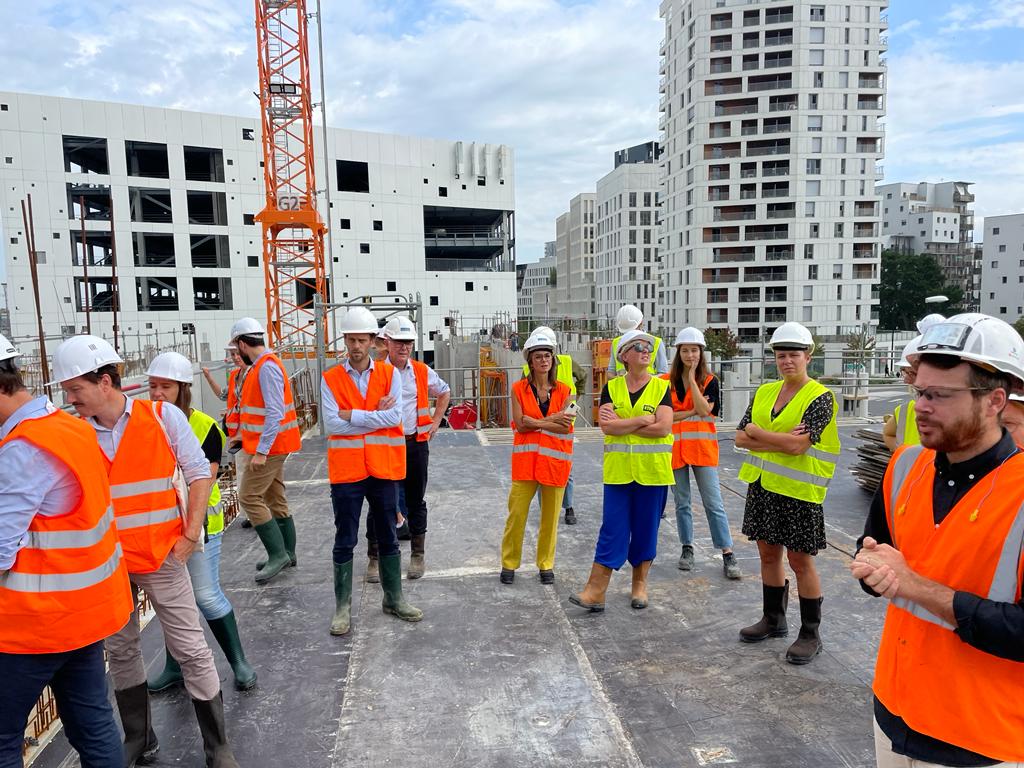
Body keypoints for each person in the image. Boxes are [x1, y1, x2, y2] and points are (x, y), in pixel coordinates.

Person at [53, 335, 239, 767]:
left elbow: (198, 474)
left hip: (161, 555)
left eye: (75, 390)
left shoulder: (162, 418)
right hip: (108, 566)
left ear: (104, 382)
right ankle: (140, 738)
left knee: (190, 646)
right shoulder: (77, 433)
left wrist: (190, 533)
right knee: (121, 651)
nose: (70, 399)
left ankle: (218, 745)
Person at [851, 313, 1024, 768]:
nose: (921, 406)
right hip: (894, 714)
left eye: (939, 395)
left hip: (981, 740)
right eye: (919, 392)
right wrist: (873, 572)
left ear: (995, 401)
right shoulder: (906, 466)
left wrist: (911, 584)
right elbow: (875, 556)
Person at [0, 333, 133, 767]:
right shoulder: (69, 429)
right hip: (82, 616)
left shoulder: (22, 448)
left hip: (31, 626)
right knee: (93, 727)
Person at [145, 352, 257, 693]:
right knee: (170, 597)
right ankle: (174, 665)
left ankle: (238, 661)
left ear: (183, 389)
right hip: (159, 523)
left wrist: (192, 530)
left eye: (166, 386)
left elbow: (201, 480)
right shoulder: (145, 424)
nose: (158, 394)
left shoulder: (205, 427)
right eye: (153, 387)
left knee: (206, 595)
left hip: (199, 523)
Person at [735, 321, 840, 665]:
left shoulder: (820, 398)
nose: (787, 362)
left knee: (800, 561)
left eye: (794, 355)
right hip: (764, 486)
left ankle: (810, 633)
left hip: (799, 491)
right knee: (768, 556)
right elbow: (739, 437)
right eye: (781, 355)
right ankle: (774, 619)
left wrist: (758, 432)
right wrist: (760, 434)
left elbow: (798, 447)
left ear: (808, 356)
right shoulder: (764, 392)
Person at [322, 307, 423, 636]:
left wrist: (353, 415)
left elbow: (394, 418)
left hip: (382, 469)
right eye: (350, 339)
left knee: (389, 537)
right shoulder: (330, 378)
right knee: (345, 539)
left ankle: (393, 599)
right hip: (348, 473)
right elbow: (331, 423)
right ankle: (342, 608)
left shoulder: (389, 375)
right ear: (344, 340)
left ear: (373, 342)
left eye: (361, 340)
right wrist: (370, 416)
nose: (355, 346)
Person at [570, 329, 674, 612]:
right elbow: (607, 427)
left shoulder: (662, 387)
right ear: (624, 356)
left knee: (645, 529)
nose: (646, 350)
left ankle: (639, 584)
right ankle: (596, 589)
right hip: (618, 473)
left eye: (649, 348)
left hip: (652, 473)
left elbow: (664, 427)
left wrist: (624, 423)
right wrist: (642, 419)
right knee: (612, 528)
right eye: (639, 346)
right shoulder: (611, 388)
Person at [363, 316, 450, 580]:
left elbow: (444, 391)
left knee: (415, 501)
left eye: (408, 342)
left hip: (415, 445)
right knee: (380, 502)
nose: (404, 347)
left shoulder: (421, 372)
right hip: (385, 447)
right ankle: (374, 559)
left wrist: (435, 422)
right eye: (399, 342)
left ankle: (417, 555)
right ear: (386, 342)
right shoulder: (374, 373)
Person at [230, 317, 302, 583]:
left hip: (271, 448)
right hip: (272, 444)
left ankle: (278, 555)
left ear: (242, 344)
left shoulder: (266, 368)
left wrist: (260, 452)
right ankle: (287, 552)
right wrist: (243, 438)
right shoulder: (262, 366)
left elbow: (274, 414)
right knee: (274, 499)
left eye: (236, 349)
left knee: (248, 496)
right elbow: (259, 415)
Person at [664, 328, 739, 579]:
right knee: (681, 502)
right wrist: (692, 411)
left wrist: (693, 377)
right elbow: (665, 416)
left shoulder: (710, 381)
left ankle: (727, 552)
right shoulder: (665, 381)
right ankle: (687, 548)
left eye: (694, 350)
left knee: (713, 503)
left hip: (702, 450)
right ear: (678, 353)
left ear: (701, 352)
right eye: (685, 350)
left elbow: (706, 412)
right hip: (675, 451)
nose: (689, 355)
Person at [501, 329, 574, 585]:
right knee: (517, 516)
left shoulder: (566, 391)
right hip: (525, 465)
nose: (544, 360)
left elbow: (566, 426)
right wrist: (552, 419)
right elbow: (520, 425)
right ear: (529, 361)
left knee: (550, 519)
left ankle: (546, 564)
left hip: (554, 464)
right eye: (538, 356)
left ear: (553, 360)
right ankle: (509, 563)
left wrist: (537, 421)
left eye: (547, 356)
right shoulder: (518, 389)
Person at [521, 325, 586, 525]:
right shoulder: (527, 370)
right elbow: (523, 394)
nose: (542, 359)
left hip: (564, 419)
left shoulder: (567, 362)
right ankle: (548, 511)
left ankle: (568, 507)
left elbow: (582, 378)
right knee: (542, 468)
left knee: (565, 466)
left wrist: (573, 405)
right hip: (542, 422)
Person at [205, 345, 253, 528]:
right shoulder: (235, 376)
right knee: (242, 475)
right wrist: (209, 377)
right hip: (238, 437)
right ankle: (250, 515)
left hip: (252, 434)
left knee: (256, 476)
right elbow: (223, 395)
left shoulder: (255, 375)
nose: (235, 357)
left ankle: (260, 515)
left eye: (237, 354)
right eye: (232, 354)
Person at [607, 304, 669, 377]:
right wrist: (623, 381)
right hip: (622, 387)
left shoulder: (656, 342)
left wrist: (643, 380)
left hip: (649, 387)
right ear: (641, 323)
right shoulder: (616, 342)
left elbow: (663, 374)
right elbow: (610, 372)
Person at [882, 337, 921, 452]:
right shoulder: (905, 411)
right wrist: (905, 455)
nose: (906, 380)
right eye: (905, 372)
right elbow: (888, 434)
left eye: (912, 373)